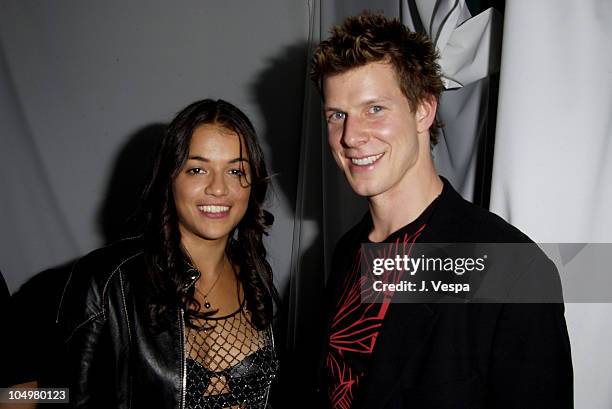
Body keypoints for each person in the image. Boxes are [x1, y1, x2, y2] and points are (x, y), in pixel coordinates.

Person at [310, 12, 573, 409]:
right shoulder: (348, 251)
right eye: (337, 115)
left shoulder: (511, 269)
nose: (350, 136)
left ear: (423, 110)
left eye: (375, 109)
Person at [57, 99, 280, 408]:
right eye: (198, 169)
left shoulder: (258, 276)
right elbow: (55, 394)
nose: (218, 188)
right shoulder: (109, 280)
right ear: (169, 178)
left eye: (235, 170)